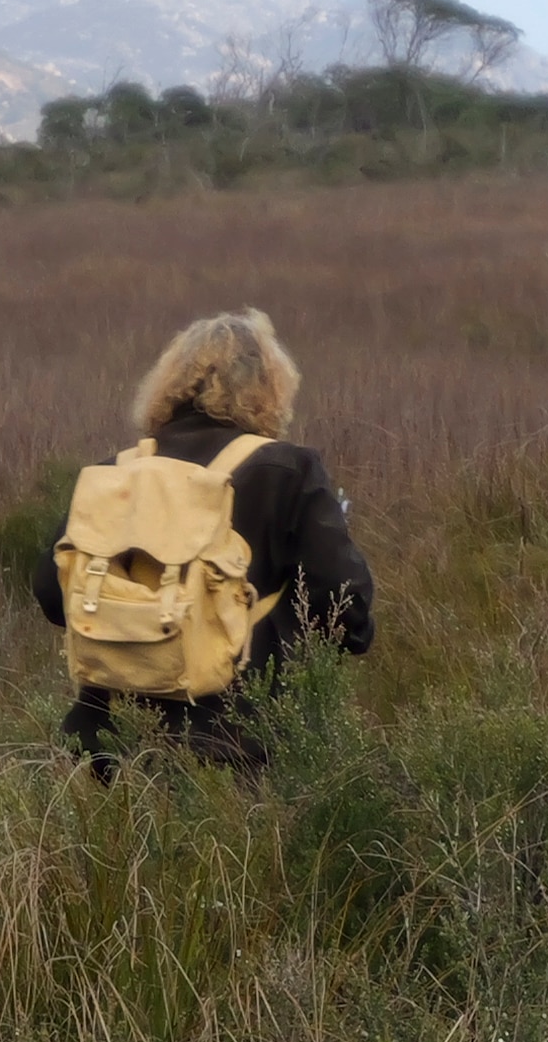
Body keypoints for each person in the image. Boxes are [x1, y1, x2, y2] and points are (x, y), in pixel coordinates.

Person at [32, 307, 374, 774]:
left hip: (107, 746)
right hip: (237, 749)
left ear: (169, 385)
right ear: (271, 389)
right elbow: (342, 603)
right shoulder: (288, 473)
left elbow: (54, 596)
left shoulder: (114, 473)